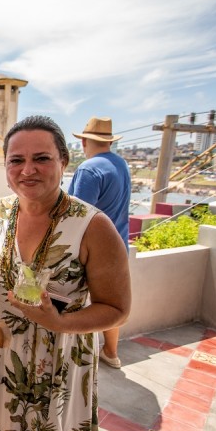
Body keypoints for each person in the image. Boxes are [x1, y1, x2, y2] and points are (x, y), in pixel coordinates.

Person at [0, 115, 130, 431]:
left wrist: (60, 322)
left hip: (59, 370)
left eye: (41, 158)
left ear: (64, 162)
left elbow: (118, 309)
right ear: (6, 166)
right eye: (17, 160)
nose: (28, 169)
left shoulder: (93, 227)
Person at [68, 116, 131, 369]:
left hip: (91, 251)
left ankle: (75, 362)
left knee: (82, 305)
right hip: (119, 245)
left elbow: (75, 215)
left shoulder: (88, 169)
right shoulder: (121, 164)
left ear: (83, 141)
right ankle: (111, 352)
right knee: (109, 303)